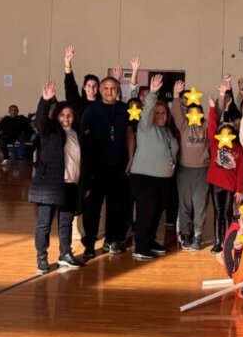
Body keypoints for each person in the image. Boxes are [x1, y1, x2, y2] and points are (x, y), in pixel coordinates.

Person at [29, 81, 84, 274]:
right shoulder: (50, 130)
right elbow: (40, 121)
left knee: (66, 223)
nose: (66, 118)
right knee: (44, 224)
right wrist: (45, 101)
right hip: (50, 185)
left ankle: (65, 254)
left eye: (69, 114)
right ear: (56, 116)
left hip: (71, 186)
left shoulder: (77, 134)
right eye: (62, 115)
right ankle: (42, 257)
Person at [129, 74, 179, 261]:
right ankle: (140, 247)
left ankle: (150, 242)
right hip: (145, 177)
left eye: (163, 113)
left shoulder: (167, 131)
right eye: (157, 113)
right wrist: (153, 93)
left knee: (157, 213)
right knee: (146, 213)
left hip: (163, 179)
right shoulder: (146, 127)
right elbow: (149, 106)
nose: (160, 116)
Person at [80, 76, 130, 258]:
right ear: (100, 91)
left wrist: (130, 159)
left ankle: (110, 240)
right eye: (106, 88)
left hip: (118, 167)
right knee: (92, 209)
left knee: (115, 207)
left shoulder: (124, 110)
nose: (109, 91)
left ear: (118, 90)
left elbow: (130, 134)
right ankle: (89, 243)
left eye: (113, 88)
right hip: (96, 169)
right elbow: (83, 137)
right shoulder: (91, 111)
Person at [207, 83, 243, 253]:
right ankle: (217, 242)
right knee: (217, 212)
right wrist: (212, 108)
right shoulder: (215, 144)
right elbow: (211, 126)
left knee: (228, 213)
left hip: (230, 185)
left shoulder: (238, 149)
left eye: (230, 132)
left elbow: (241, 170)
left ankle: (228, 240)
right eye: (223, 132)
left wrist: (239, 189)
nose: (227, 134)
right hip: (216, 183)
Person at [171, 79, 209, 251]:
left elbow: (215, 118)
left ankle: (198, 235)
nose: (194, 116)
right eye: (191, 113)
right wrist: (176, 94)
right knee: (185, 204)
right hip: (184, 170)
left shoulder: (206, 127)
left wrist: (222, 96)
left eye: (198, 113)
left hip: (202, 171)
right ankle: (185, 234)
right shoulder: (184, 126)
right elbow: (176, 112)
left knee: (200, 205)